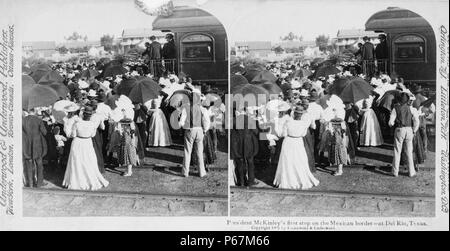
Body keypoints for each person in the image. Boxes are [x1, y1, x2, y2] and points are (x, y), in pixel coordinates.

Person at [273, 105, 320, 189]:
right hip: (298, 142)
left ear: (294, 114)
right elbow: (303, 134)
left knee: (288, 162)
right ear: (301, 115)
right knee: (299, 161)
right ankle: (299, 180)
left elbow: (283, 134)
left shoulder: (288, 122)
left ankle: (287, 180)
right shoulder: (304, 124)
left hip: (288, 142)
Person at [63, 107, 109, 191]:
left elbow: (73, 135)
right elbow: (92, 135)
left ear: (83, 114)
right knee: (88, 160)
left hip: (77, 143)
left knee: (77, 161)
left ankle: (76, 180)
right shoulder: (92, 124)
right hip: (87, 143)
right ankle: (88, 179)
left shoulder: (77, 124)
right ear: (90, 116)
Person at [178, 91, 210, 177]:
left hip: (189, 130)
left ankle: (185, 172)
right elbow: (206, 121)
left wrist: (183, 127)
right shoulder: (203, 109)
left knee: (187, 151)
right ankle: (202, 172)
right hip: (199, 130)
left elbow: (181, 122)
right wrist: (204, 130)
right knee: (199, 152)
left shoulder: (186, 108)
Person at [388, 92, 420, 177]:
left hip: (399, 130)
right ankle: (411, 172)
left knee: (397, 151)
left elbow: (390, 122)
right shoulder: (412, 109)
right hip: (409, 130)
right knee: (409, 152)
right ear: (408, 100)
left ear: (399, 100)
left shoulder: (396, 108)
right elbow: (416, 121)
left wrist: (393, 124)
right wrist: (414, 130)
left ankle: (395, 172)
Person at [23, 109, 48, 188]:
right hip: (37, 145)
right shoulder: (38, 120)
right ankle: (39, 183)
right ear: (34, 112)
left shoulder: (23, 120)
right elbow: (45, 132)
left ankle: (30, 183)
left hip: (26, 145)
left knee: (29, 164)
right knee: (39, 164)